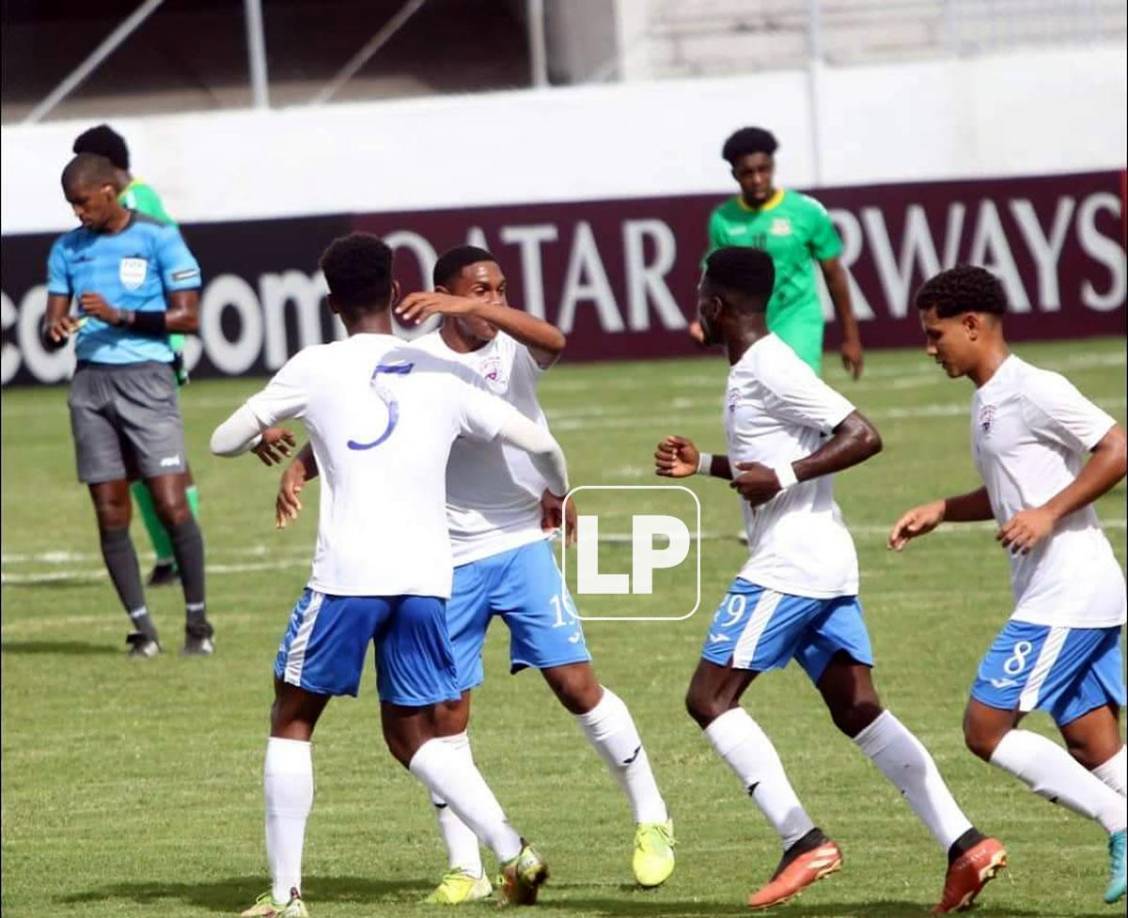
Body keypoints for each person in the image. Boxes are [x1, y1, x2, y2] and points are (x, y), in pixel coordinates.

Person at [272, 246, 674, 904]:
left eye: (501, 289)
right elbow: (372, 427)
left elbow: (556, 339)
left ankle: (652, 818)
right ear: (436, 294)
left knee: (575, 684)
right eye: (479, 290)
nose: (495, 301)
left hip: (521, 542)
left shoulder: (511, 342)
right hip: (445, 557)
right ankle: (467, 866)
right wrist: (302, 466)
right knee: (444, 714)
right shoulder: (414, 358)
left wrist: (480, 308)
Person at [210, 233, 566, 916]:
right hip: (428, 580)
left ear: (333, 302)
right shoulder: (439, 371)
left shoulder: (315, 365)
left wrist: (262, 431)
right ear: (398, 294)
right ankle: (513, 851)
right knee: (411, 734)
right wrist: (558, 493)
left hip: (347, 577)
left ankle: (286, 897)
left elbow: (222, 439)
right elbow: (542, 443)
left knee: (292, 718)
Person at [654, 247, 1003, 912]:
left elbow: (861, 434)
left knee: (709, 698)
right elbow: (770, 463)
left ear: (716, 305)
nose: (697, 299)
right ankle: (965, 843)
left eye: (702, 291)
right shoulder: (749, 371)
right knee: (858, 710)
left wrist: (784, 477)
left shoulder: (771, 366)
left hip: (791, 563)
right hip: (820, 562)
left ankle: (801, 840)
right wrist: (705, 466)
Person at [889, 264, 1127, 906]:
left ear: (972, 325)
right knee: (1090, 742)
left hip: (1069, 590)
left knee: (984, 728)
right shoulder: (987, 400)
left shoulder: (1032, 388)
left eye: (936, 334)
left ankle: (1120, 825)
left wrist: (1049, 513)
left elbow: (1117, 447)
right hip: (1068, 593)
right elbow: (1010, 496)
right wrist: (944, 508)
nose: (929, 347)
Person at [44, 153, 213, 657]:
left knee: (169, 502)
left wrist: (119, 315)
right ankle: (143, 631)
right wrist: (56, 330)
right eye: (70, 205)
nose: (77, 213)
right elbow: (53, 321)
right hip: (91, 386)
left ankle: (198, 626)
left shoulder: (158, 236)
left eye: (82, 202)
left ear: (107, 192)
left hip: (148, 380)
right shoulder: (67, 250)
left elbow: (188, 319)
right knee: (109, 511)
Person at [72, 123, 203, 588]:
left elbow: (164, 271)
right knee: (141, 457)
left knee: (159, 456)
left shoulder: (138, 202)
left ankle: (180, 544)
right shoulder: (137, 200)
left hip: (149, 348)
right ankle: (171, 549)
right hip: (139, 346)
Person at [689, 126, 863, 380]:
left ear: (772, 166)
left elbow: (833, 273)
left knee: (795, 390)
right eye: (748, 172)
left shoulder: (806, 212)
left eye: (764, 169)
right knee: (757, 406)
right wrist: (702, 321)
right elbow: (715, 278)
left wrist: (851, 337)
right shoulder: (723, 219)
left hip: (798, 319)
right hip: (748, 327)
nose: (758, 179)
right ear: (734, 174)